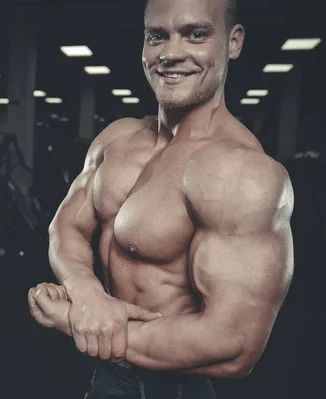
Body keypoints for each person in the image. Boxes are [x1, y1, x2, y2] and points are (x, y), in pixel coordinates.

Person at [28, 0, 295, 397]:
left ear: (233, 42)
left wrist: (74, 319)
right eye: (158, 36)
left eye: (196, 34)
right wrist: (86, 291)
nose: (171, 54)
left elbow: (235, 344)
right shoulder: (116, 138)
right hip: (107, 379)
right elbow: (66, 224)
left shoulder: (242, 173)